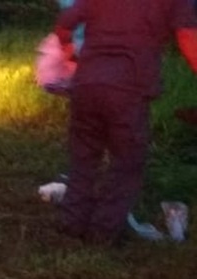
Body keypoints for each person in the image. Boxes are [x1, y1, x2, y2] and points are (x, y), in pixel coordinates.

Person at [54, 0, 197, 246]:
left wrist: (69, 53)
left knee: (84, 157)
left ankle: (72, 223)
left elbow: (65, 24)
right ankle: (103, 232)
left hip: (87, 83)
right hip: (128, 88)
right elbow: (187, 37)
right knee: (127, 162)